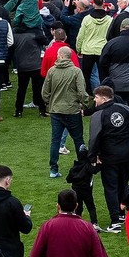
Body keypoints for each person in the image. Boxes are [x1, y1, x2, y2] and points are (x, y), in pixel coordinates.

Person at [89, 85, 129, 231]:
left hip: (109, 156)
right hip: (125, 154)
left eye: (96, 97)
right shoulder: (125, 108)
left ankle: (115, 220)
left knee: (111, 187)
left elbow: (94, 138)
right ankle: (122, 214)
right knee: (123, 184)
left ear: (103, 98)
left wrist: (92, 156)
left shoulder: (98, 115)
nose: (95, 100)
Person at [41, 48, 87, 178]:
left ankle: (53, 169)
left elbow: (45, 92)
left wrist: (49, 104)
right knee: (78, 139)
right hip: (72, 111)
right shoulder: (76, 72)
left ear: (60, 56)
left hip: (56, 111)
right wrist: (84, 105)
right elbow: (82, 92)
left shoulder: (52, 71)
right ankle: (83, 167)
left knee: (55, 140)